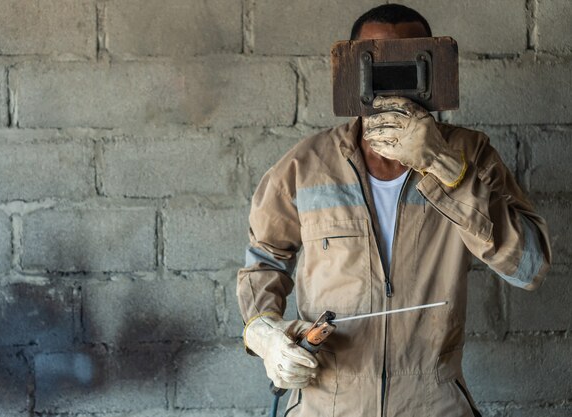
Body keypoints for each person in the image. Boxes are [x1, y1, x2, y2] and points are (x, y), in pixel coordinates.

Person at [236, 4, 551, 417]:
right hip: (326, 404)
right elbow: (263, 262)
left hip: (433, 403)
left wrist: (444, 165)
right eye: (375, 62)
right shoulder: (305, 165)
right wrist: (263, 332)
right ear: (352, 73)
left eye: (406, 62)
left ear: (431, 70)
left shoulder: (471, 154)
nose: (391, 79)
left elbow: (529, 265)